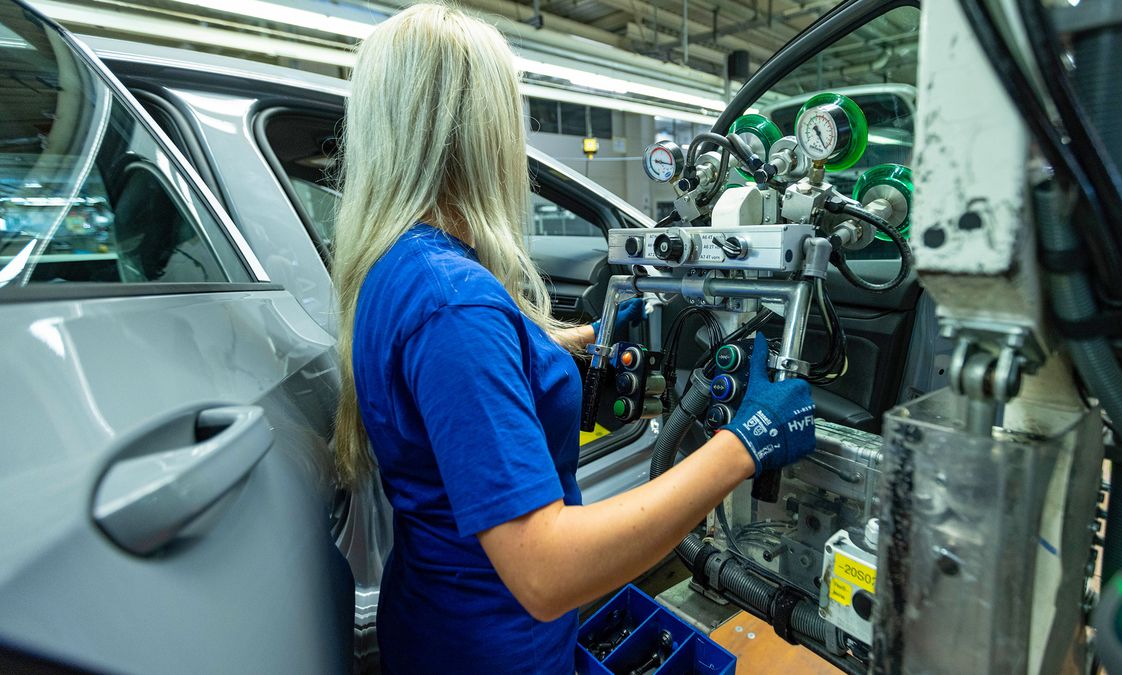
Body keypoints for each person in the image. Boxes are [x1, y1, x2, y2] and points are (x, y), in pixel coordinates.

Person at [330, 5, 818, 674]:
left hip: (435, 620)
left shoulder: (396, 267)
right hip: (498, 649)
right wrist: (744, 444)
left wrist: (554, 351)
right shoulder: (455, 304)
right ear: (480, 127)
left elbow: (451, 402)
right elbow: (547, 569)